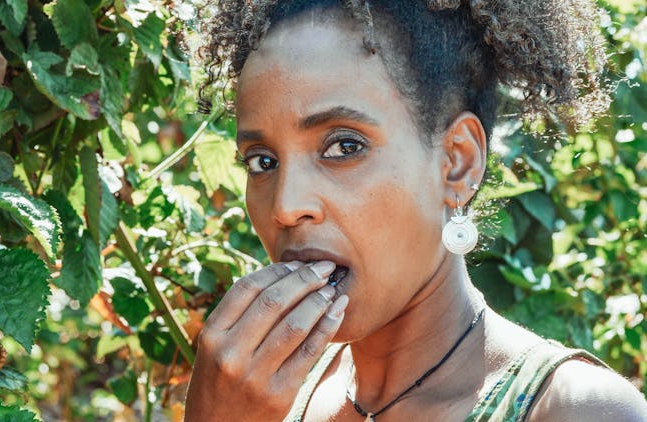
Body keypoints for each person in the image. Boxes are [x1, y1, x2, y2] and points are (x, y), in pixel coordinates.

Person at [185, 0, 647, 420]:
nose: (285, 207)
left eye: (344, 146)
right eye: (262, 162)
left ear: (456, 163)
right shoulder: (265, 398)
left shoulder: (575, 410)